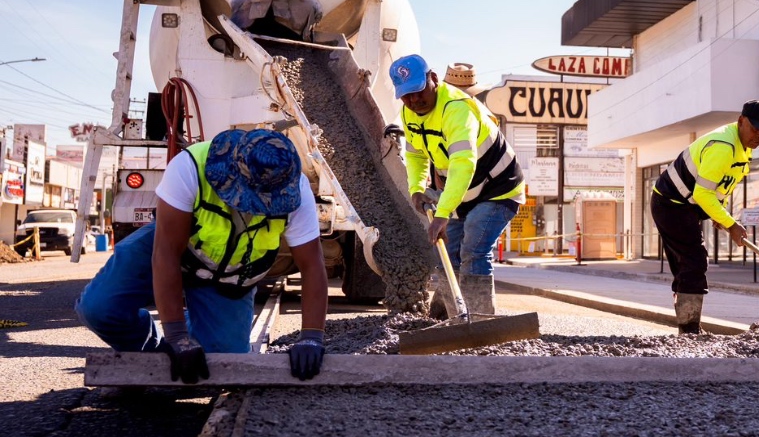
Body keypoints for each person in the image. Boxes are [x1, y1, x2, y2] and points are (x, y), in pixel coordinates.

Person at [75, 129, 328, 383]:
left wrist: (311, 336)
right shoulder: (191, 167)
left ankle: (195, 329)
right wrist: (177, 338)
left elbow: (312, 265)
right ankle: (149, 354)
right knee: (100, 307)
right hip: (174, 248)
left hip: (231, 276)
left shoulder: (293, 191)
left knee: (223, 360)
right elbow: (166, 254)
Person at [391, 54, 524, 316]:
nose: (414, 100)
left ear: (433, 79)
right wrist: (416, 188)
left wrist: (442, 214)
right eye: (406, 95)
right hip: (462, 193)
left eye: (418, 91)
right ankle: (447, 318)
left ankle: (480, 320)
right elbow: (416, 154)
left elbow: (464, 164)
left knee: (473, 248)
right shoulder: (408, 113)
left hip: (497, 188)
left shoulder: (457, 109)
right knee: (448, 251)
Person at [650, 100, 759, 334]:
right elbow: (702, 193)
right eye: (755, 129)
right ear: (741, 122)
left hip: (687, 205)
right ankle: (689, 330)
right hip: (671, 204)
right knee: (695, 261)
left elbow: (722, 186)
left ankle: (687, 325)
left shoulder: (742, 148)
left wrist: (721, 213)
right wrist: (731, 224)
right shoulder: (723, 146)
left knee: (688, 264)